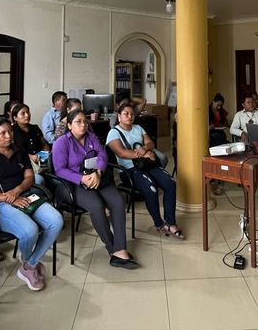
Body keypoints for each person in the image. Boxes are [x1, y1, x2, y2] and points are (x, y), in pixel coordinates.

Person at [0, 118, 63, 291]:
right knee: (30, 230)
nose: (8, 136)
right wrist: (8, 197)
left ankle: (29, 264)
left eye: (10, 132)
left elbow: (29, 177)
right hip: (0, 204)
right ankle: (31, 263)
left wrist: (17, 190)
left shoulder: (19, 151)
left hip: (25, 196)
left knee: (56, 221)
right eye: (2, 133)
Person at [51, 109, 137, 268]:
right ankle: (112, 249)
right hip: (73, 183)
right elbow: (60, 170)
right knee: (97, 206)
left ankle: (120, 249)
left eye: (85, 121)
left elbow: (102, 155)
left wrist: (98, 172)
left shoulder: (91, 137)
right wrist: (82, 178)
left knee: (118, 202)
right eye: (78, 122)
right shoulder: (62, 142)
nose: (83, 125)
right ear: (69, 125)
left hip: (97, 178)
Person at [106, 103, 183, 238]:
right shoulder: (114, 132)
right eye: (126, 114)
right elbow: (121, 153)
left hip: (147, 165)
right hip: (129, 170)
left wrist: (145, 149)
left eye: (132, 114)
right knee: (151, 188)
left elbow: (150, 143)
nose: (129, 116)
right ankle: (159, 224)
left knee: (170, 183)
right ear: (119, 116)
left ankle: (171, 222)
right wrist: (143, 154)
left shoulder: (138, 128)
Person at [9, 103, 49, 183]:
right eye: (23, 113)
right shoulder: (11, 131)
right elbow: (12, 150)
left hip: (41, 161)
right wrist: (31, 157)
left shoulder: (35, 128)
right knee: (39, 180)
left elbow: (45, 145)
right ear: (15, 117)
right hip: (23, 164)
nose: (27, 115)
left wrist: (43, 156)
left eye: (28, 112)